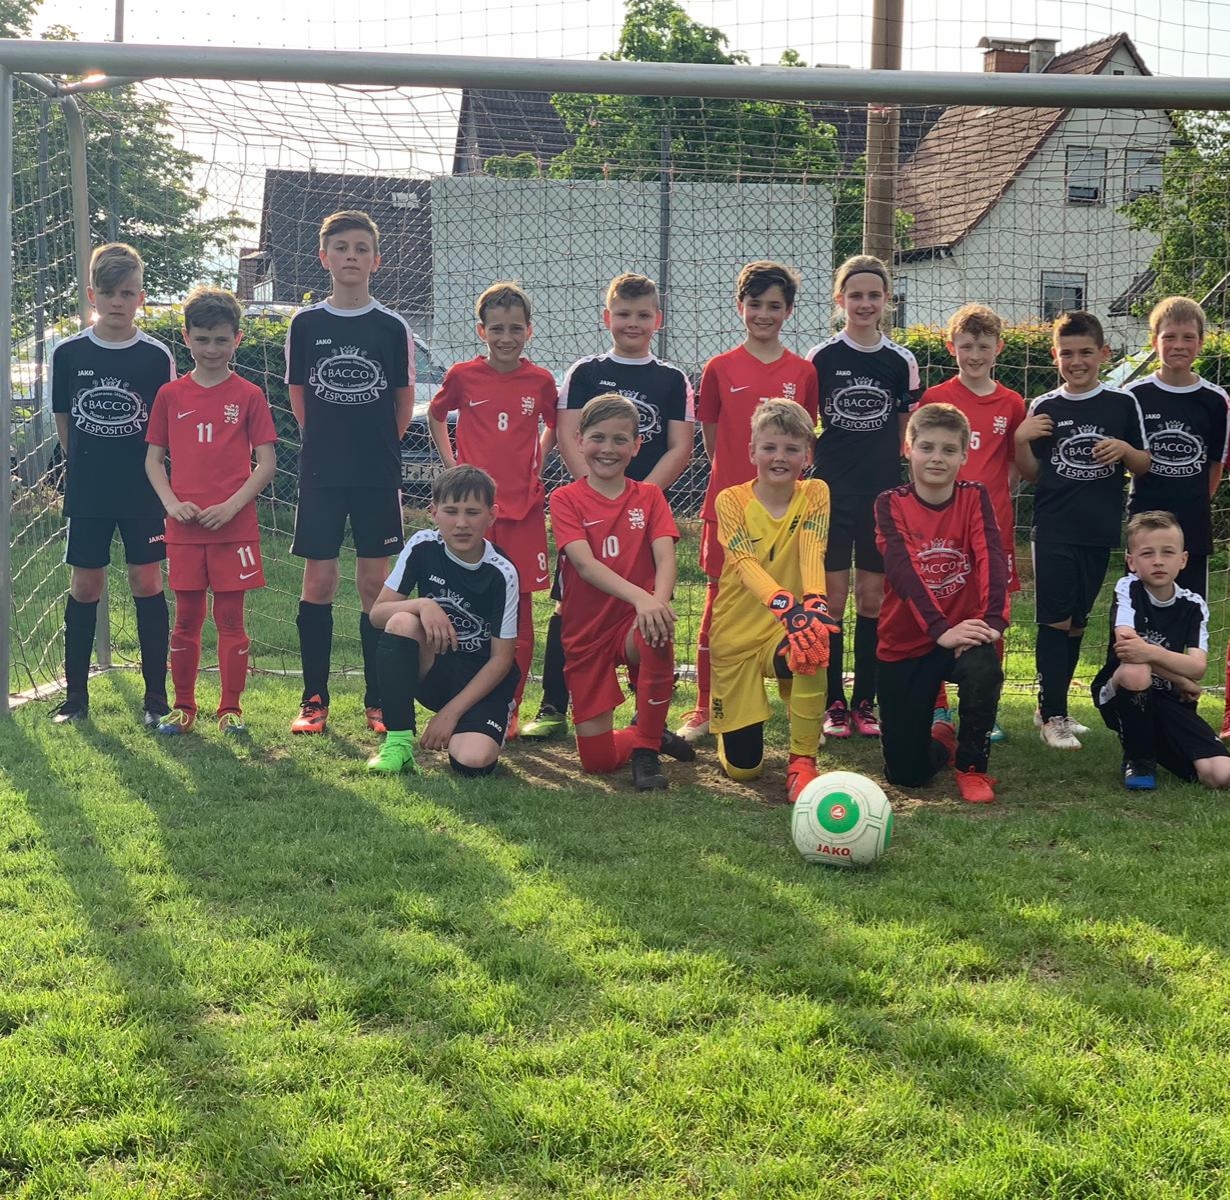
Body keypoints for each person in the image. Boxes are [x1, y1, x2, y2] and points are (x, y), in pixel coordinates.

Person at [520, 272, 693, 741]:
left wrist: (636, 497)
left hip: (641, 511)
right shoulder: (585, 372)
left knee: (649, 607)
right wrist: (596, 493)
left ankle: (648, 717)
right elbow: (567, 433)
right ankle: (554, 704)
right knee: (568, 606)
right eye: (623, 314)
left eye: (642, 315)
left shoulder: (672, 378)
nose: (632, 323)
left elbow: (680, 446)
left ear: (657, 320)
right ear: (606, 317)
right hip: (589, 508)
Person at [676, 260, 821, 745]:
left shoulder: (803, 371)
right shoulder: (719, 368)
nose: (763, 314)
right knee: (719, 604)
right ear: (740, 307)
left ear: (789, 311)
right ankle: (704, 706)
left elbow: (803, 437)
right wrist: (737, 492)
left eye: (774, 306)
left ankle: (801, 708)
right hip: (730, 510)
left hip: (785, 514)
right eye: (754, 304)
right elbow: (713, 441)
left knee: (792, 601)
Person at [284, 209, 414, 735]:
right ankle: (314, 699)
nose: (351, 256)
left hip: (376, 472)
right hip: (322, 471)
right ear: (324, 257)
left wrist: (374, 448)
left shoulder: (392, 327)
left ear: (376, 260)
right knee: (318, 580)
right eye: (341, 248)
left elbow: (402, 403)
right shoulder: (306, 324)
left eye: (362, 248)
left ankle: (376, 699)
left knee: (373, 583)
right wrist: (328, 443)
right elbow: (299, 397)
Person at [49, 242, 177, 726]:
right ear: (92, 295)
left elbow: (164, 429)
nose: (117, 302)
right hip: (89, 491)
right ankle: (75, 699)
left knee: (147, 580)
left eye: (127, 293)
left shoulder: (156, 356)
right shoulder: (68, 353)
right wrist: (86, 467)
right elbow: (65, 423)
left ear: (140, 297)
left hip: (142, 490)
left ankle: (155, 698)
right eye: (108, 293)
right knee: (86, 584)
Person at [426, 281, 558, 735]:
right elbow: (436, 415)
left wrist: (538, 459)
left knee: (519, 610)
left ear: (529, 331)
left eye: (515, 329)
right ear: (482, 331)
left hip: (522, 513)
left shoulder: (541, 381)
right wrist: (453, 467)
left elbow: (556, 424)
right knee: (467, 603)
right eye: (497, 328)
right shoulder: (463, 375)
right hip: (475, 513)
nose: (506, 337)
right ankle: (461, 698)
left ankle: (510, 707)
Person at [1015, 310, 1151, 750]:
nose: (1077, 362)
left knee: (1076, 623)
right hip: (1054, 527)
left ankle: (1054, 708)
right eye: (1067, 353)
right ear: (1054, 355)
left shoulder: (1122, 403)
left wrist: (1125, 449)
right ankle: (1051, 714)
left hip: (1098, 528)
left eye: (1086, 352)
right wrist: (1020, 439)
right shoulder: (1045, 406)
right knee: (1055, 621)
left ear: (1103, 353)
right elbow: (1033, 474)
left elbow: (1143, 464)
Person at [145, 287, 277, 734]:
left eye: (221, 340)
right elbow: (153, 461)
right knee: (186, 619)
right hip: (184, 529)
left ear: (237, 339)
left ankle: (230, 710)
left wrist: (231, 506)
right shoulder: (170, 395)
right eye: (202, 339)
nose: (212, 349)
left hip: (233, 528)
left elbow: (267, 463)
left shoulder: (250, 395)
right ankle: (183, 707)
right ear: (186, 338)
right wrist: (171, 503)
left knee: (231, 619)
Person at [549, 393, 695, 790]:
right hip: (586, 633)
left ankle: (646, 748)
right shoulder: (564, 499)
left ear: (636, 445)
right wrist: (643, 598)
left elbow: (666, 559)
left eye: (619, 439)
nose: (608, 449)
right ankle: (647, 734)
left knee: (656, 631)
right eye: (598, 438)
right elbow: (584, 565)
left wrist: (655, 605)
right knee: (597, 763)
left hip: (632, 624)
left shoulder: (649, 496)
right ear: (579, 440)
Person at [808, 254, 921, 741]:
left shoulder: (901, 361)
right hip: (831, 495)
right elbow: (805, 425)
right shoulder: (821, 357)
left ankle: (865, 703)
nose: (865, 303)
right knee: (832, 600)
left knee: (872, 600)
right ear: (840, 300)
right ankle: (834, 702)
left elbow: (906, 435)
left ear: (886, 300)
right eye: (855, 295)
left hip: (881, 497)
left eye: (874, 295)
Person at [875, 404, 1009, 803]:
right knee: (906, 775)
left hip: (961, 636)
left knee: (984, 666)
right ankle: (942, 740)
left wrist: (992, 622)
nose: (937, 458)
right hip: (906, 640)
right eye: (927, 447)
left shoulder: (974, 497)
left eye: (949, 450)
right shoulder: (889, 503)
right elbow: (903, 571)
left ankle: (972, 768)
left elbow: (991, 555)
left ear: (964, 455)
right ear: (908, 449)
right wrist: (940, 629)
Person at [709, 399, 836, 803]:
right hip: (736, 636)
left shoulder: (815, 492)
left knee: (812, 642)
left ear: (807, 455)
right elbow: (744, 563)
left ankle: (803, 761)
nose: (780, 457)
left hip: (785, 628)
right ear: (752, 452)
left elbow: (813, 549)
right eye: (770, 447)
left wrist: (814, 603)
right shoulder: (730, 500)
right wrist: (787, 606)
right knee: (745, 769)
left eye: (791, 449)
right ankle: (730, 733)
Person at [365, 466, 520, 778]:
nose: (461, 523)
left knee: (472, 762)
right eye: (451, 511)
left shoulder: (502, 572)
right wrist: (423, 604)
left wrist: (449, 714)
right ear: (434, 512)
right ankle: (398, 744)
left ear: (492, 515)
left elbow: (502, 659)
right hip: (436, 668)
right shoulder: (422, 546)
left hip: (481, 682)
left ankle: (490, 719)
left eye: (472, 512)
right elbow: (377, 614)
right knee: (401, 622)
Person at [918, 302, 1025, 742]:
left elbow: (1012, 467)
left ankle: (983, 707)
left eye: (983, 346)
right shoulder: (934, 398)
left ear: (999, 348)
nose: (975, 355)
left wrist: (989, 504)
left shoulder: (1012, 403)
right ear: (951, 347)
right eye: (966, 346)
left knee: (991, 613)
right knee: (937, 607)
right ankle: (936, 703)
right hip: (941, 529)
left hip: (993, 529)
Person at [1091, 510, 1230, 790]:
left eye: (1168, 552)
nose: (1158, 561)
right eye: (1147, 553)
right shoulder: (1128, 588)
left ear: (1183, 560)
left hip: (1170, 699)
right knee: (1136, 670)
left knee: (1221, 775)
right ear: (1131, 561)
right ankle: (1139, 760)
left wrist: (1156, 657)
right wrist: (1179, 677)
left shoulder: (1193, 604)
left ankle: (1152, 746)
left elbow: (1197, 668)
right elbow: (1128, 649)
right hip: (1119, 691)